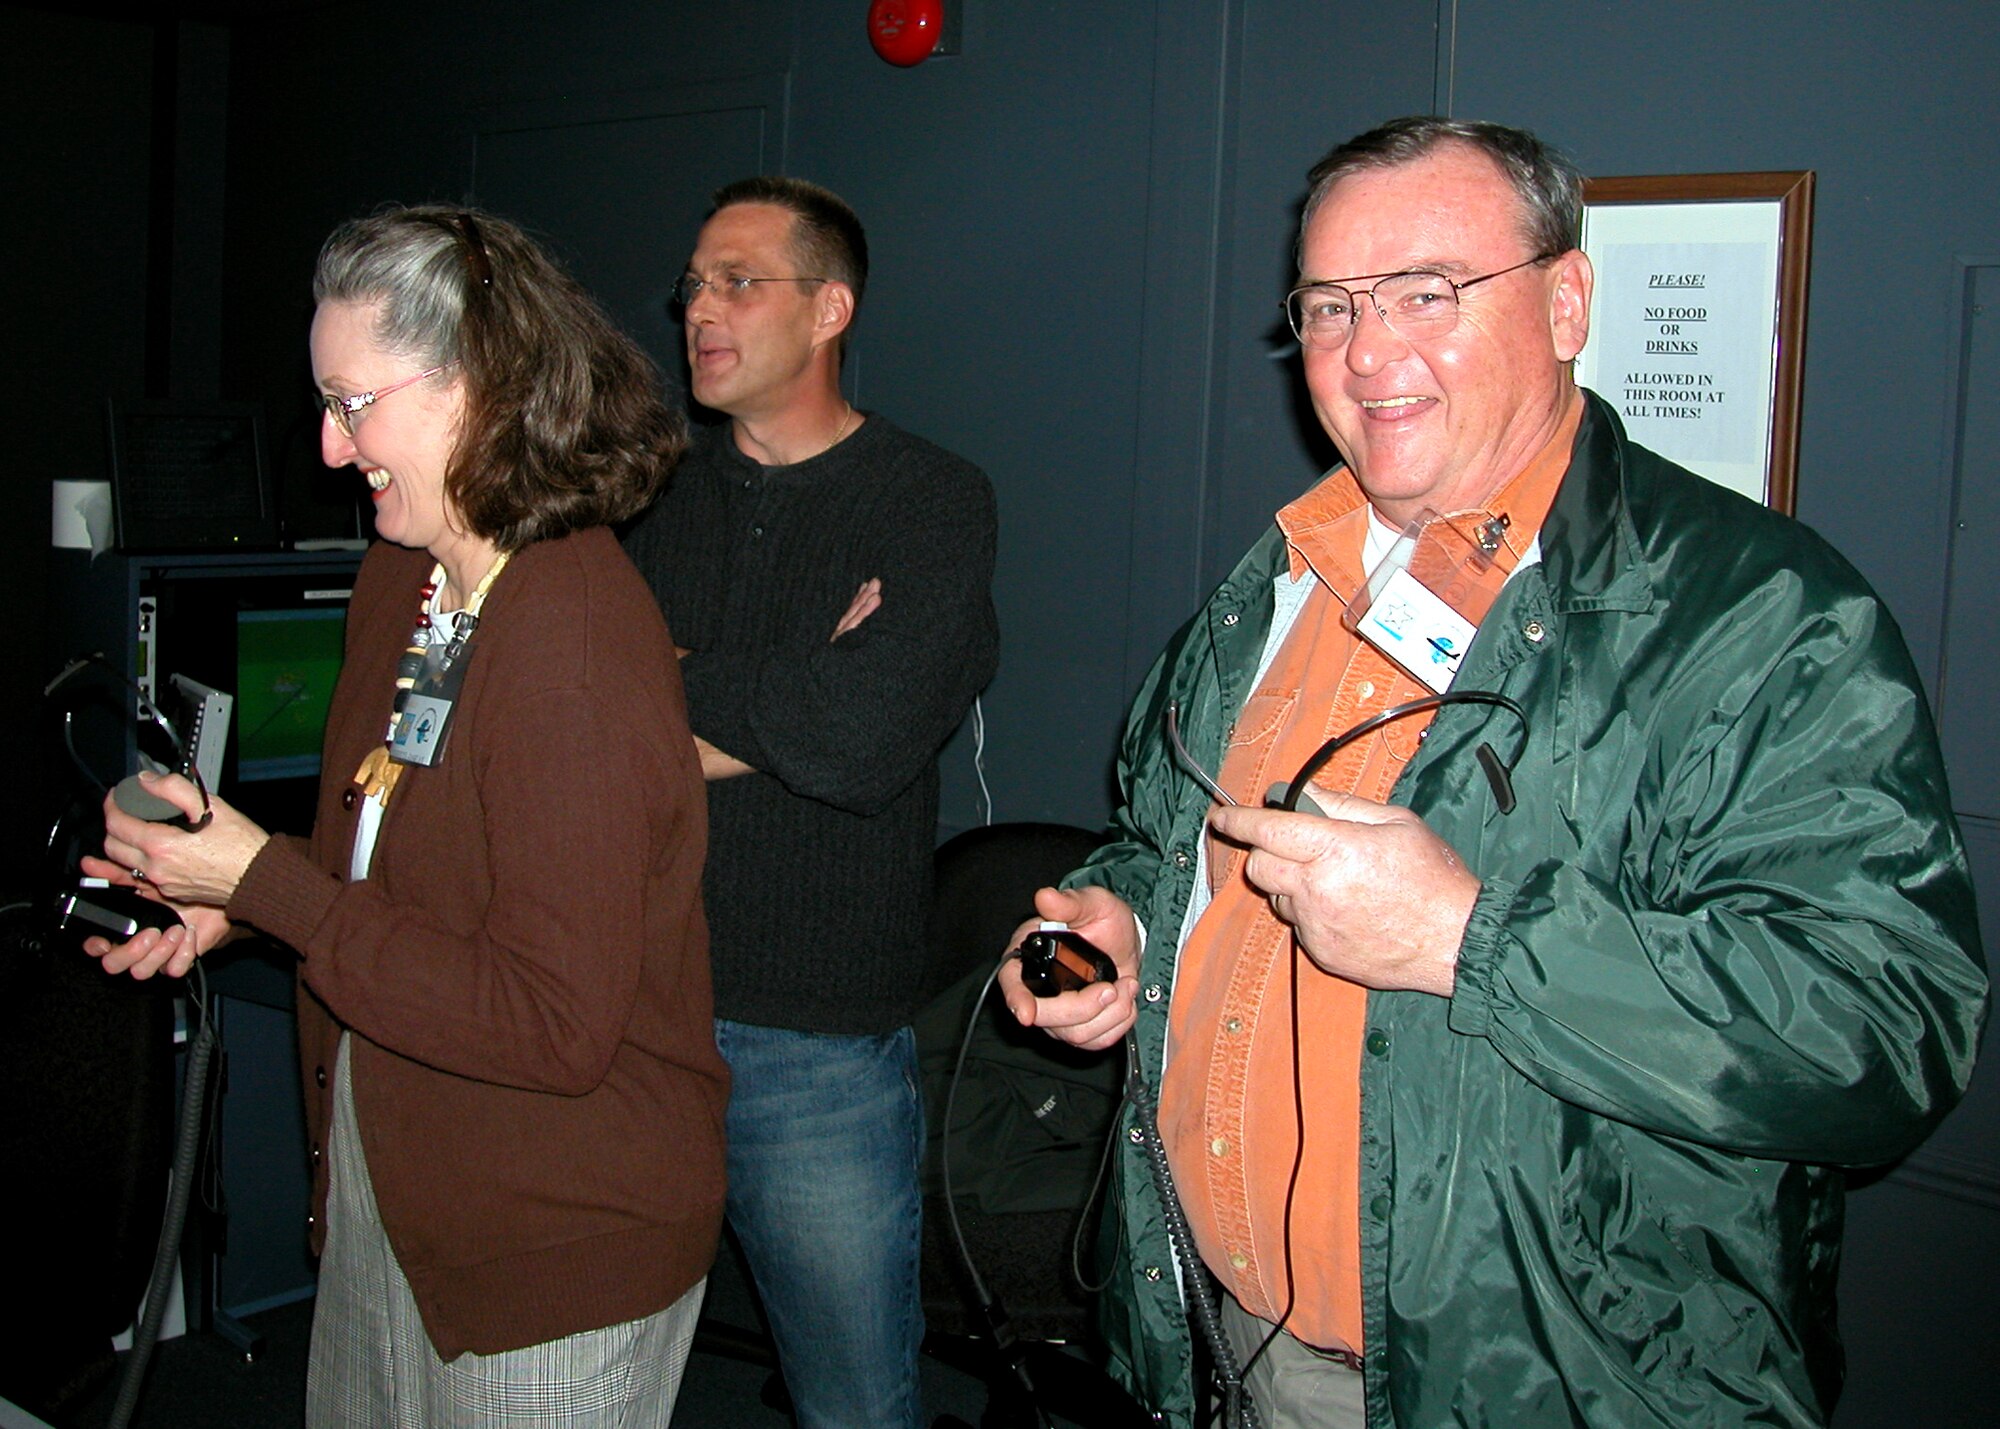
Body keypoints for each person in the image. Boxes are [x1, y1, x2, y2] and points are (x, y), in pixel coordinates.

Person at [1001, 117, 1988, 1428]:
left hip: (1549, 1387)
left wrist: (1471, 940)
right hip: (1207, 1340)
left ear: (1566, 302)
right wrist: (1127, 923)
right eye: (1330, 305)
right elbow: (1168, 841)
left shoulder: (1758, 616)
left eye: (1426, 293)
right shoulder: (1280, 580)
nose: (1366, 351)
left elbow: (1880, 1032)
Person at [83, 204, 727, 1427]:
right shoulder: (406, 574)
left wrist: (268, 883)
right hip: (395, 1171)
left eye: (354, 403)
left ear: (477, 390)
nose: (331, 449)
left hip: (551, 1240)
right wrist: (231, 903)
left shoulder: (570, 648)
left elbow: (550, 1024)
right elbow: (392, 879)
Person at [623, 175, 998, 1428]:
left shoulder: (929, 498)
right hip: (629, 1006)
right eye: (693, 285)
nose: (698, 310)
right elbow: (582, 730)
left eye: (738, 282)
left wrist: (677, 682)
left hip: (817, 1041)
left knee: (853, 1405)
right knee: (588, 1381)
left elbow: (860, 743)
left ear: (830, 308)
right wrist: (805, 673)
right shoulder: (645, 497)